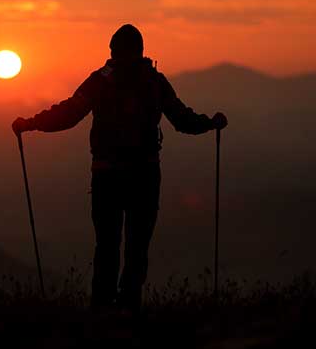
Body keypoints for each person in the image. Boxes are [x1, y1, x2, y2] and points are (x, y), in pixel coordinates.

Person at [13, 24, 227, 314]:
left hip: (107, 176)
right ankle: (128, 312)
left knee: (107, 247)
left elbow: (69, 113)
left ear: (113, 51)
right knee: (136, 248)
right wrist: (210, 123)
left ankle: (102, 312)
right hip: (144, 175)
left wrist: (31, 123)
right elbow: (182, 119)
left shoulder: (101, 81)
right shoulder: (153, 81)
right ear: (141, 52)